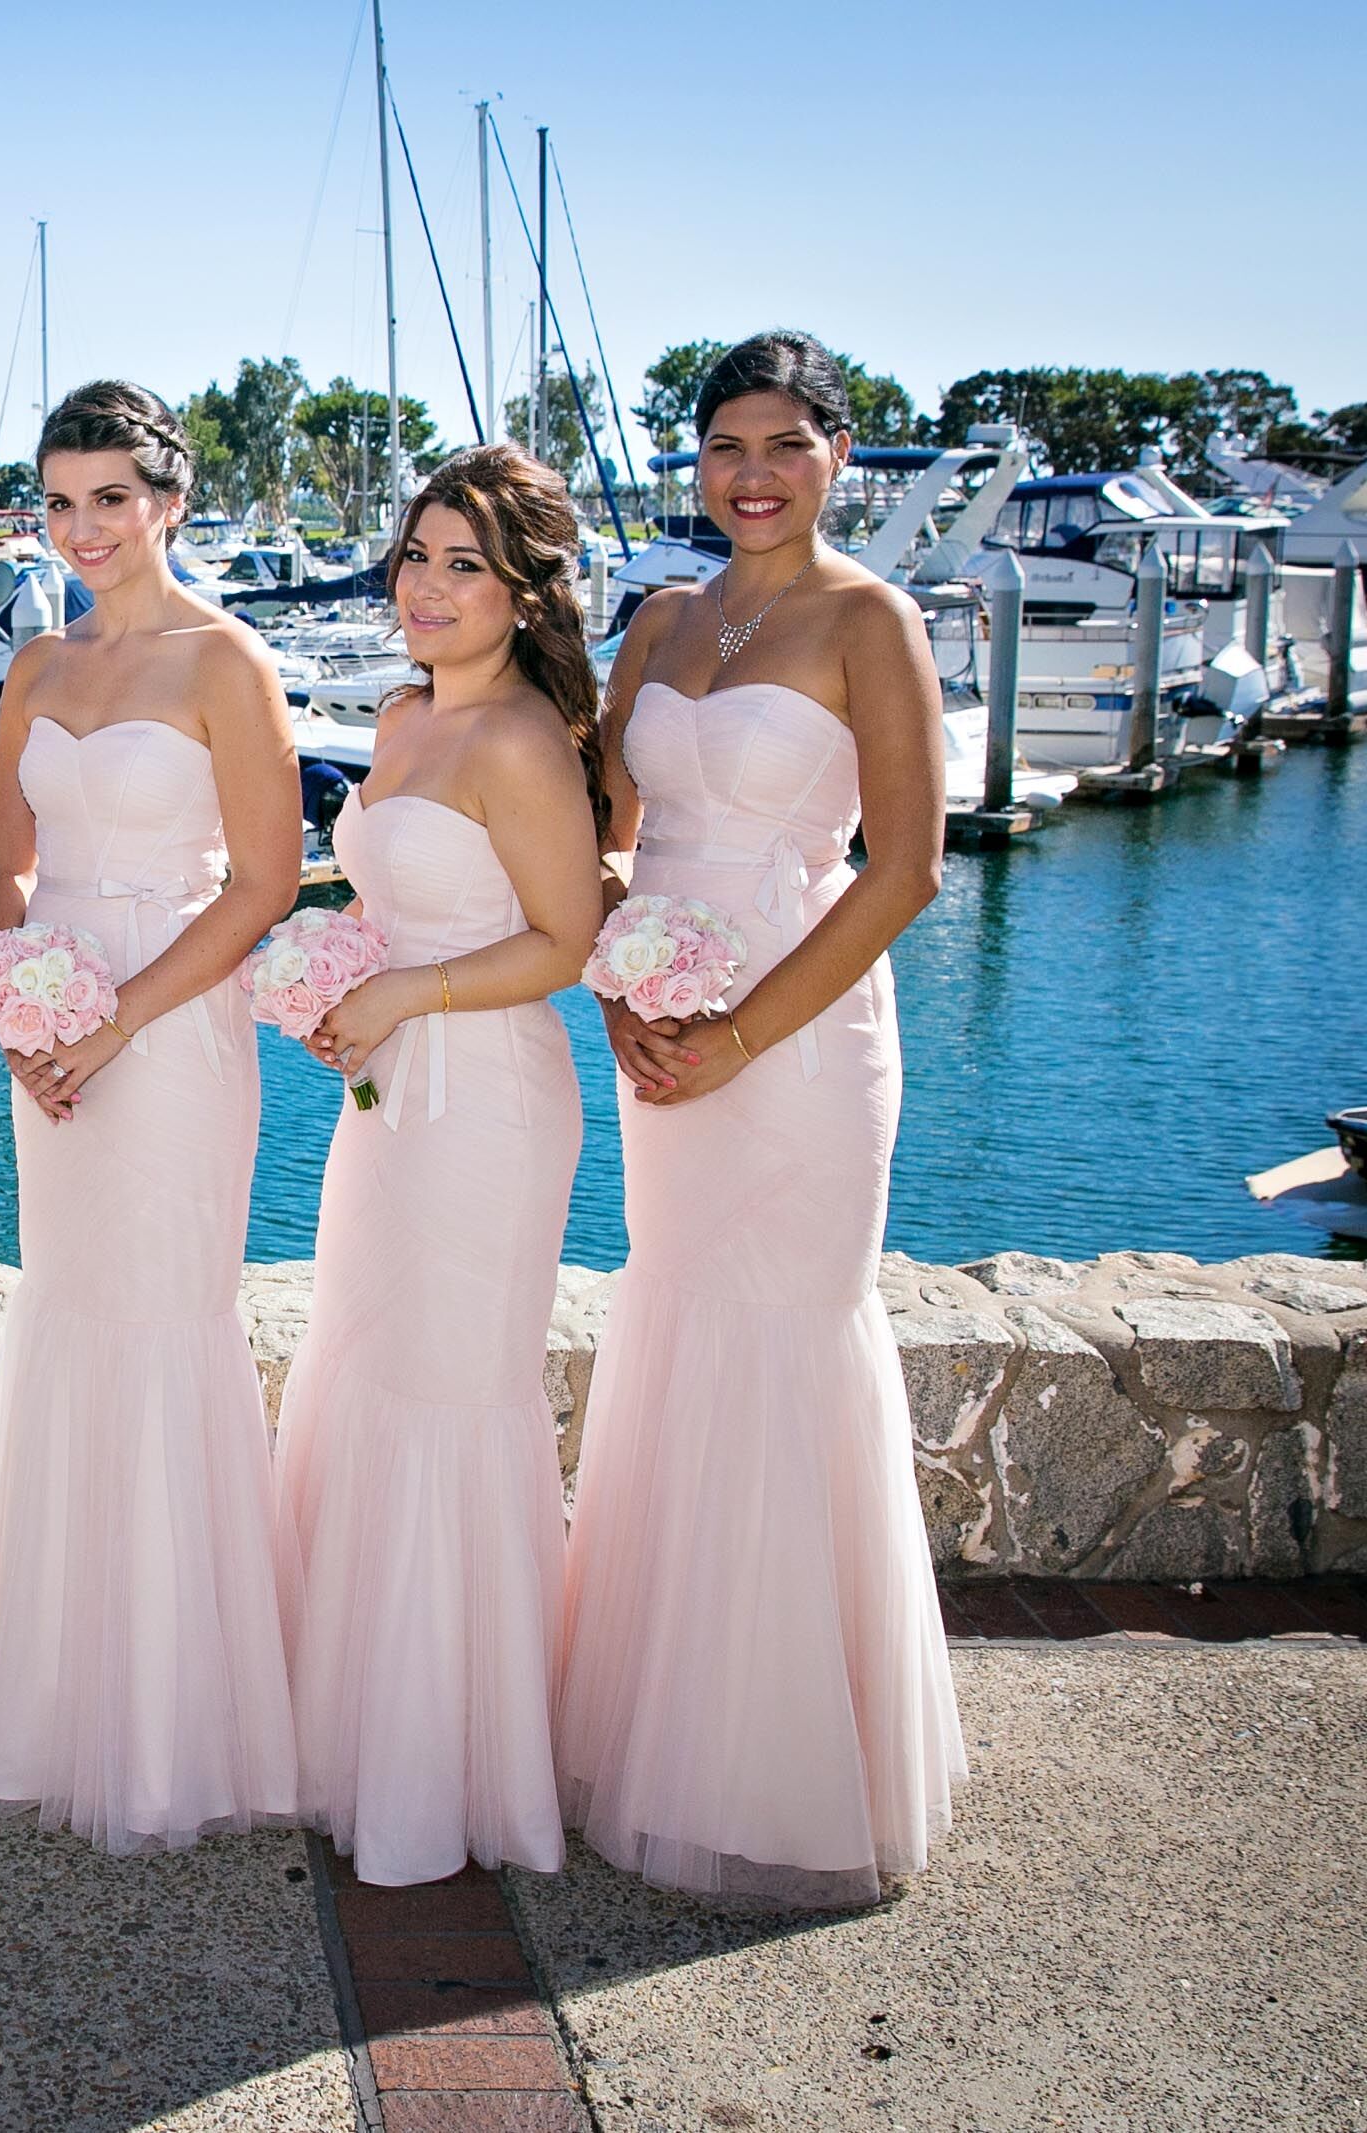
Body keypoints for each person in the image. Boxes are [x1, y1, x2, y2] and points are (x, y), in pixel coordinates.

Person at [556, 329, 963, 1906]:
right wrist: (621, 999)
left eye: (786, 444)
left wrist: (738, 1033)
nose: (753, 475)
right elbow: (605, 832)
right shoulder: (659, 619)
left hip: (796, 1038)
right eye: (727, 446)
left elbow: (909, 867)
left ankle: (793, 1770)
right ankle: (663, 1737)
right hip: (660, 1028)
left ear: (838, 455)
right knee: (675, 1317)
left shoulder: (875, 618)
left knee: (785, 1334)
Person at [0, 381, 305, 1853]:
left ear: (170, 498)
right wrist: (18, 1008)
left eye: (114, 496)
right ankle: (57, 1693)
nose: (86, 526)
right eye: (60, 500)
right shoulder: (35, 666)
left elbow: (268, 884)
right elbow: (1, 865)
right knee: (72, 1310)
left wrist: (116, 1014)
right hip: (55, 1041)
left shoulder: (227, 661)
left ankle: (176, 1721)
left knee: (165, 1317)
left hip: (170, 1030)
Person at [271, 445, 604, 1886]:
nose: (426, 586)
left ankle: (451, 1768)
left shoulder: (524, 739)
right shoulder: (401, 715)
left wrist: (403, 994)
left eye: (464, 563)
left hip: (487, 1102)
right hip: (386, 1096)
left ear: (524, 591)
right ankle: (365, 1733)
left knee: (454, 1391)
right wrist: (337, 979)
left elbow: (567, 941)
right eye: (414, 555)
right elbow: (390, 895)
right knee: (374, 1366)